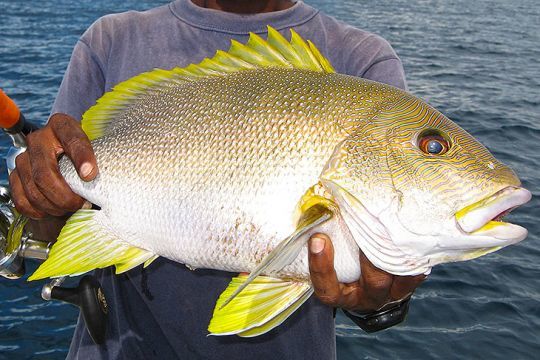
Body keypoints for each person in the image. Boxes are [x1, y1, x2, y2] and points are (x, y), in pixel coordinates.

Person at [9, 0, 425, 358]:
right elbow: (51, 225)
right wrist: (40, 191)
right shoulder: (111, 41)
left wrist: (379, 301)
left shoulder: (363, 60)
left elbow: (377, 284)